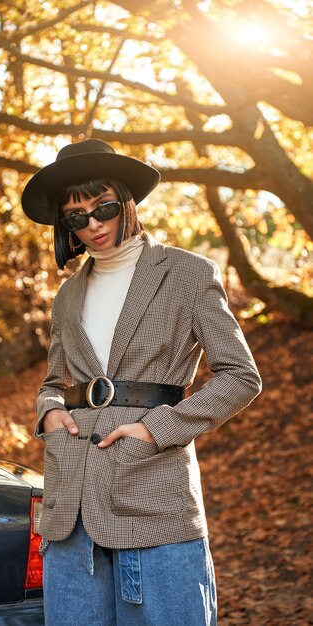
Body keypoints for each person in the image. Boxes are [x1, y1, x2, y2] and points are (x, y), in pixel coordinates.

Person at [21, 139, 262, 626]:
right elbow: (54, 380)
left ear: (126, 202)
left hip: (152, 495)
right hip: (70, 511)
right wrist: (50, 410)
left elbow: (241, 376)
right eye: (76, 217)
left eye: (103, 207)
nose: (92, 224)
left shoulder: (188, 274)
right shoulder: (68, 295)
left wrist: (157, 430)